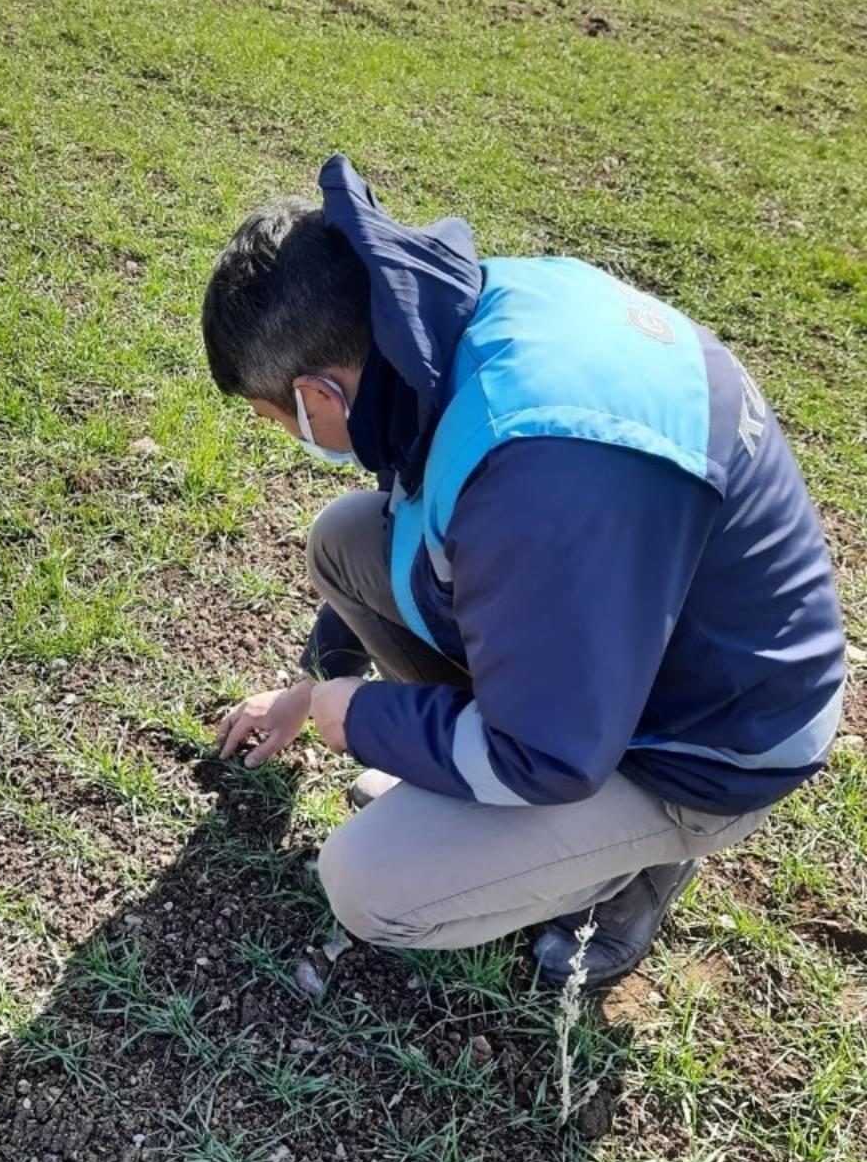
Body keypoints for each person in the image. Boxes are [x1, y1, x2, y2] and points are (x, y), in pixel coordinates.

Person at [201, 156, 846, 988]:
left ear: (318, 393)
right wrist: (310, 689)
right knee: (344, 540)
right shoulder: (435, 327)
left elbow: (549, 757)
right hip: (632, 643)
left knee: (370, 885)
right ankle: (511, 801)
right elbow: (410, 507)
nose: (287, 434)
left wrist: (361, 717)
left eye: (274, 418)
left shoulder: (537, 470)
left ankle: (634, 869)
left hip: (712, 743)